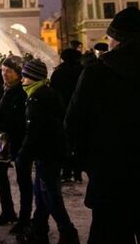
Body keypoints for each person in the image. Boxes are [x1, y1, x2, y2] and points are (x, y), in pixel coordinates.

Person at [66, 7, 140, 243]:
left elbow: (74, 126)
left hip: (112, 188)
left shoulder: (96, 74)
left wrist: (93, 167)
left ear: (117, 39)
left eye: (110, 38)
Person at [17, 59, 79, 244]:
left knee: (51, 196)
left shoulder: (39, 98)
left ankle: (68, 232)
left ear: (34, 77)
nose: (22, 80)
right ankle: (39, 231)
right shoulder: (42, 93)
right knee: (42, 194)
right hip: (49, 153)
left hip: (48, 154)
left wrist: (23, 155)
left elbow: (35, 131)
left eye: (25, 76)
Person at [0, 56, 32, 234]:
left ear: (18, 74)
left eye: (9, 71)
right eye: (3, 70)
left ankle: (25, 218)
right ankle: (8, 211)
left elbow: (19, 118)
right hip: (0, 139)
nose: (5, 74)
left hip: (18, 140)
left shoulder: (22, 91)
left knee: (23, 179)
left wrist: (4, 123)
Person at [49, 48, 84, 183]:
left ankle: (66, 171)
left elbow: (53, 91)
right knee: (77, 141)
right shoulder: (82, 70)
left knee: (65, 142)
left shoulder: (58, 72)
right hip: (79, 111)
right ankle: (78, 172)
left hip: (62, 111)